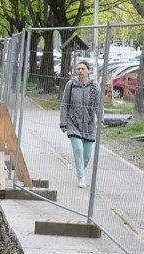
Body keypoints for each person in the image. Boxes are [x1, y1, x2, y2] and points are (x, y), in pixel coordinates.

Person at [59, 60, 101, 188]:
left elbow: (98, 106)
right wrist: (63, 122)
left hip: (88, 124)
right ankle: (81, 177)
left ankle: (80, 169)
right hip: (73, 122)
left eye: (83, 69)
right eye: (78, 69)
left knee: (87, 155)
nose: (80, 71)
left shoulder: (95, 86)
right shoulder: (71, 85)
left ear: (88, 71)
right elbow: (65, 104)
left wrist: (101, 120)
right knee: (78, 149)